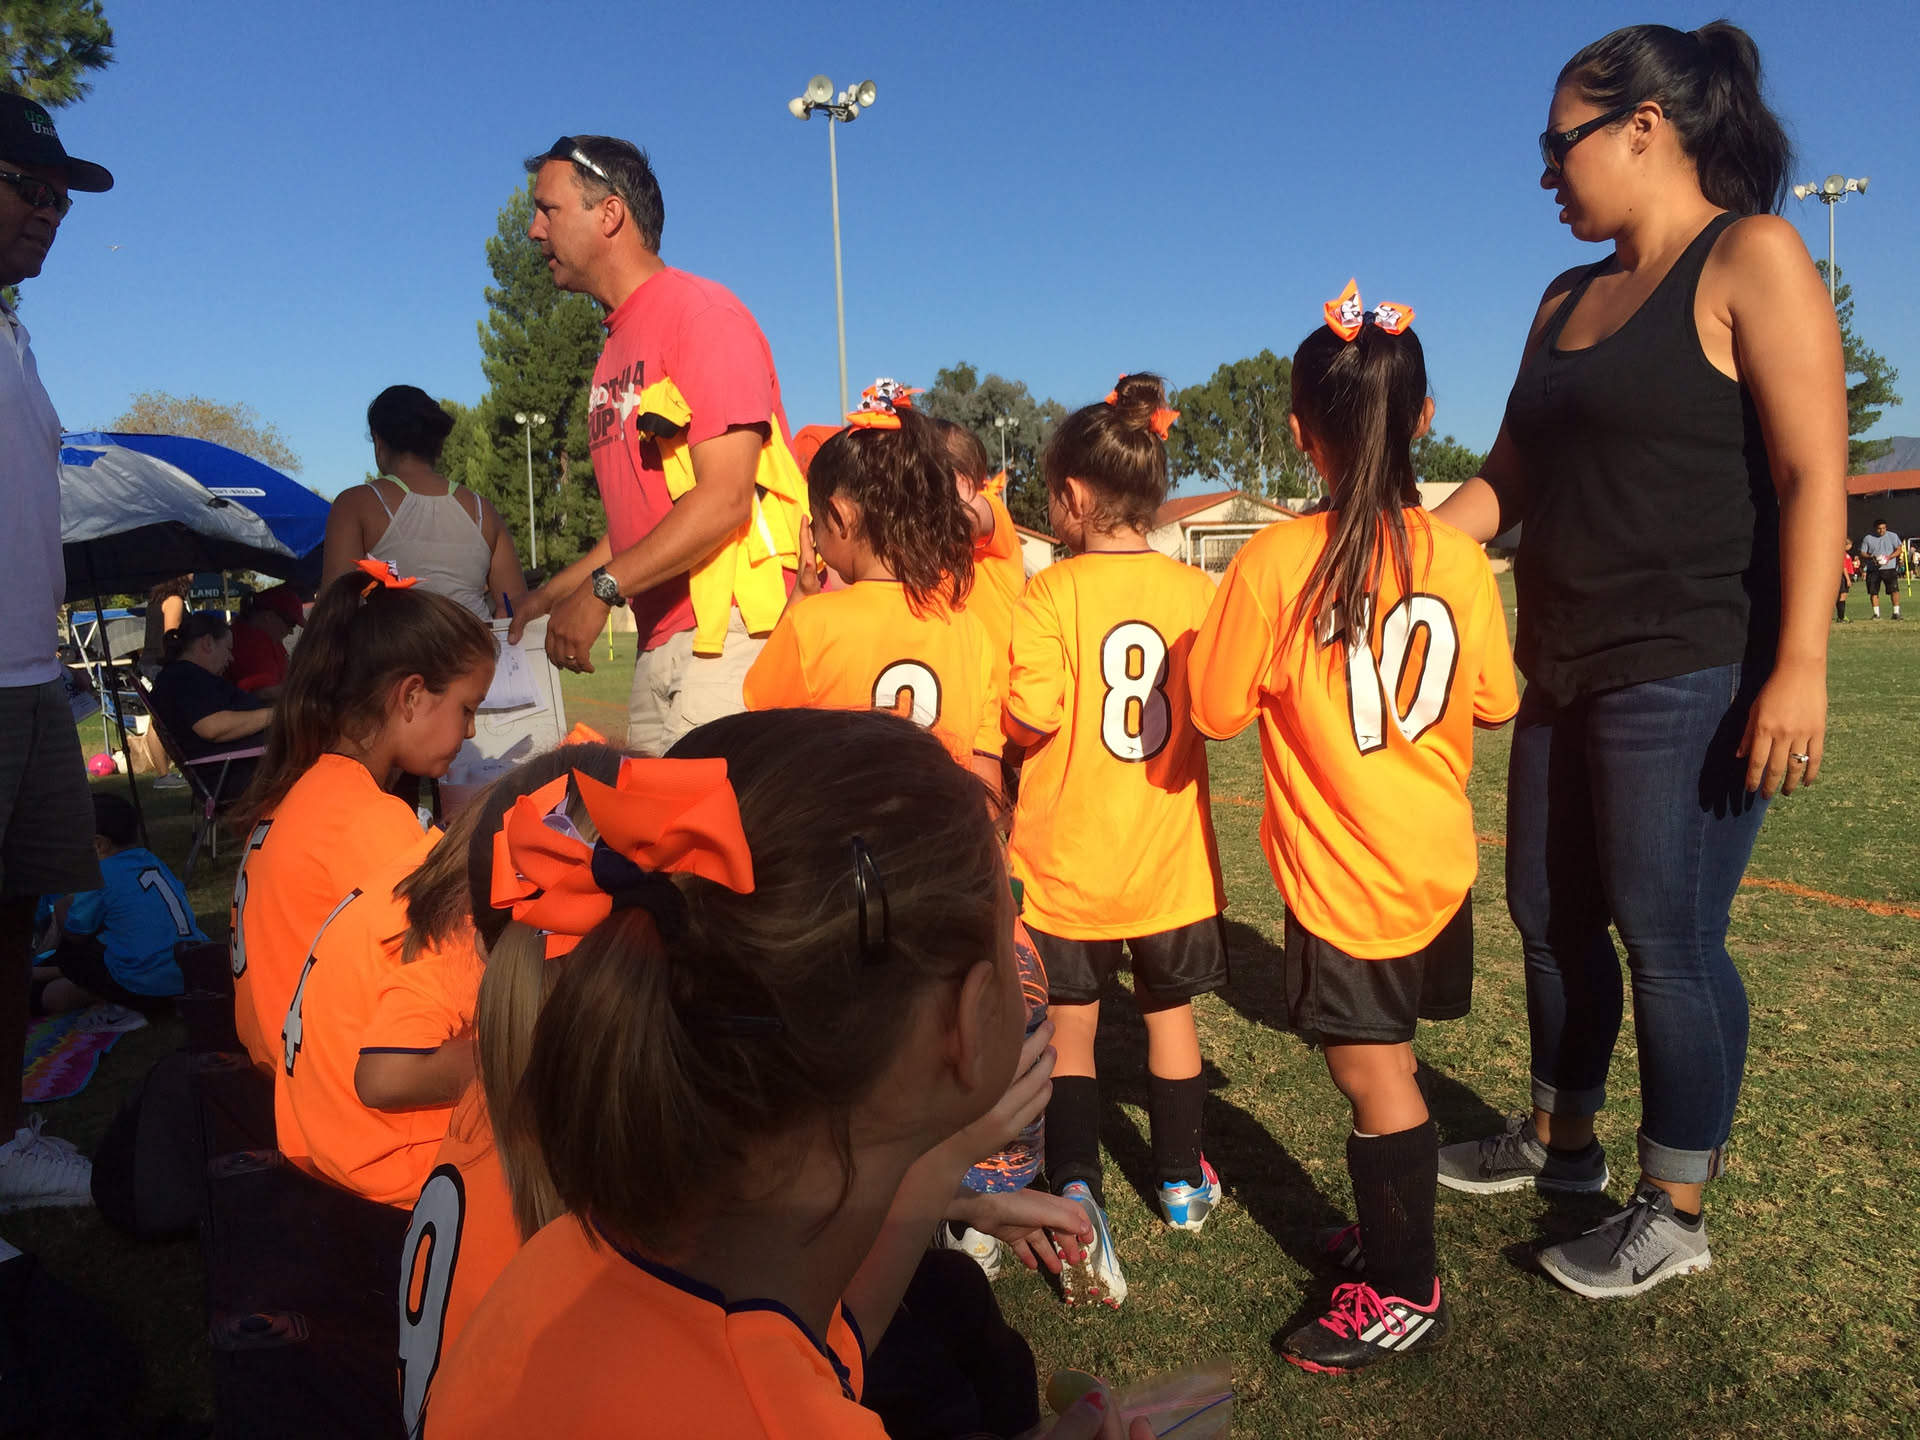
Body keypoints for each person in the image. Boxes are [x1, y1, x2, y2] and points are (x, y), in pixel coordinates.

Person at [1431, 22, 1846, 1299]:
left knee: (1668, 935)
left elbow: (1813, 472)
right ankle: (1562, 1141)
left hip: (1693, 660)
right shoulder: (1563, 299)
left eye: (1559, 143)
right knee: (1549, 920)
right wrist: (1382, 548)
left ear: (1645, 127)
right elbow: (1505, 484)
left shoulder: (1753, 256)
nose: (1545, 172)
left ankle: (1674, 1205)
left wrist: (1801, 664)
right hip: (1561, 660)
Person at [424, 709, 1139, 1440]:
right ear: (969, 1017)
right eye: (1007, 908)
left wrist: (942, 1175)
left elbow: (810, 1356)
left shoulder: (571, 1259)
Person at [1190, 287, 1518, 1370]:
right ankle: (1390, 1232)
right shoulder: (1459, 558)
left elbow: (1215, 709)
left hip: (1346, 880)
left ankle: (1405, 1287)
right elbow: (1495, 699)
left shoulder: (1279, 561)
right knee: (1391, 1064)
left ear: (1299, 432)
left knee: (1371, 1078)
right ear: (1425, 420)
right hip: (1433, 863)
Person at [1003, 373, 1228, 1311]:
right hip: (1168, 860)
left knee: (1074, 1030)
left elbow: (1031, 712)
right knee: (1171, 1017)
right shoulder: (1197, 590)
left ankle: (1076, 1186)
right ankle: (1180, 1184)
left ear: (1073, 497)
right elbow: (1217, 707)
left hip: (1068, 862)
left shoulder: (1048, 592)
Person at [503, 136, 808, 757]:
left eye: (548, 209)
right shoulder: (615, 345)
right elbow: (640, 527)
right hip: (664, 641)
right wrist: (550, 596)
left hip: (732, 633)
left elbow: (725, 498)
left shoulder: (701, 315)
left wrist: (601, 591)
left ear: (609, 214)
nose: (534, 230)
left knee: (713, 822)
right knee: (650, 821)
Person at [227, 561, 496, 1074]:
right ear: (411, 696)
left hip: (279, 1070)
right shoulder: (368, 819)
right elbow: (446, 972)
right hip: (332, 1086)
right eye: (467, 708)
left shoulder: (302, 787)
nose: (471, 731)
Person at [0, 90, 113, 1210]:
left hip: (33, 681)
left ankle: (4, 1144)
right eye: (28, 188)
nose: (49, 212)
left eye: (61, 199)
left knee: (15, 921)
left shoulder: (16, 337)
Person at [742, 401, 1004, 794]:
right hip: (942, 830)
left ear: (840, 516)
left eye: (816, 519)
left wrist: (800, 597)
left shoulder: (811, 623)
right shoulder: (972, 633)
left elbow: (759, 718)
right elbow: (985, 775)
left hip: (842, 830)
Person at [274, 811, 479, 1206]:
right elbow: (385, 1078)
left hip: (313, 1142)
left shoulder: (409, 866)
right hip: (398, 1179)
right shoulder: (370, 817)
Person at [322, 386, 525, 622]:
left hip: (396, 645)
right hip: (477, 642)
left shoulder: (355, 504)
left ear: (378, 441)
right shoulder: (483, 511)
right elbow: (517, 607)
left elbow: (334, 612)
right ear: (438, 445)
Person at [30, 793, 206, 1025]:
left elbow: (75, 932)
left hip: (144, 985)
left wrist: (62, 904)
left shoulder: (102, 874)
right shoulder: (151, 860)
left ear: (99, 844)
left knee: (68, 953)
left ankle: (121, 1003)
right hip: (187, 973)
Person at [148, 613, 273, 801]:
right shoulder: (185, 678)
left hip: (243, 766)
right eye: (228, 649)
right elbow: (212, 727)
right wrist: (278, 714)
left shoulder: (185, 676)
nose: (231, 658)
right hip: (239, 774)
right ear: (207, 643)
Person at [224, 584, 306, 697]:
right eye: (290, 624)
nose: (291, 631)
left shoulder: (270, 638)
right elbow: (264, 692)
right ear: (269, 617)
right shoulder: (251, 640)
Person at [1859, 518, 1902, 620]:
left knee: (1894, 590)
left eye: (1884, 528)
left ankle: (1896, 612)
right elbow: (1862, 552)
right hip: (1873, 569)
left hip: (1889, 568)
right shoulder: (1868, 538)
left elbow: (1899, 549)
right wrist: (1871, 557)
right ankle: (1876, 614)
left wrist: (1889, 557)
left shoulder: (1893, 536)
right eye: (1879, 529)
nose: (1882, 530)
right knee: (1873, 591)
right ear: (1875, 528)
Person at [1835, 539, 1855, 623]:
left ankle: (1841, 616)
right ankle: (1841, 617)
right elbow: (1844, 567)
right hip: (1844, 576)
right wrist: (1848, 579)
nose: (1851, 547)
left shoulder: (1846, 554)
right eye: (1850, 545)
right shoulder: (1842, 554)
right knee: (1843, 595)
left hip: (1848, 575)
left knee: (1843, 595)